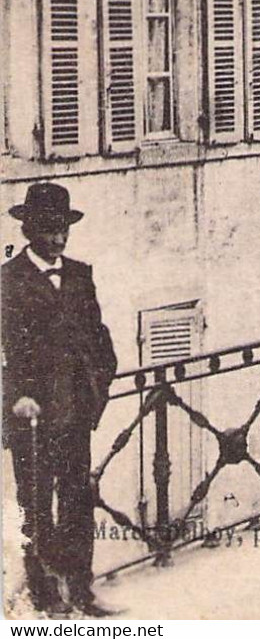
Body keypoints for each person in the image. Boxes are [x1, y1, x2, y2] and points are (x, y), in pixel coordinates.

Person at [1, 184, 119, 616]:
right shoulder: (7, 283)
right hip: (31, 418)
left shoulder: (80, 275)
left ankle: (81, 591)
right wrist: (15, 398)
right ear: (29, 230)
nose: (59, 239)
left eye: (64, 229)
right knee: (35, 508)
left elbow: (100, 339)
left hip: (75, 412)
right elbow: (3, 354)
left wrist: (98, 386)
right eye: (50, 230)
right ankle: (46, 595)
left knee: (78, 500)